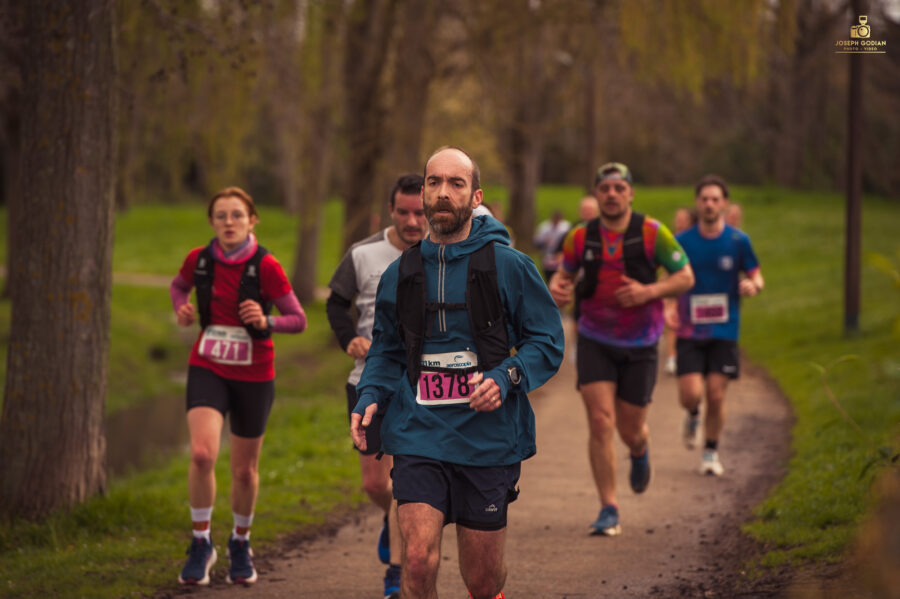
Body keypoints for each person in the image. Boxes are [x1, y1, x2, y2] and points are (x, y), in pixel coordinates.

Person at [351, 146, 564, 599]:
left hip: (487, 438)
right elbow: (386, 350)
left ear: (476, 196)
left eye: (456, 183)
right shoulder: (401, 273)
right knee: (417, 558)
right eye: (434, 182)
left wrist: (506, 376)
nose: (443, 192)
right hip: (418, 432)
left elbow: (547, 341)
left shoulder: (510, 266)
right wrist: (370, 395)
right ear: (423, 194)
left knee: (483, 581)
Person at [170, 186, 308, 585]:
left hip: (254, 372)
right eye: (221, 216)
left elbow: (297, 319)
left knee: (245, 471)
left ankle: (240, 542)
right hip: (208, 363)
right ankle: (201, 542)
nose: (228, 223)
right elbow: (179, 287)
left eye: (236, 215)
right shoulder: (198, 260)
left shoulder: (267, 266)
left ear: (252, 220)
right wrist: (181, 307)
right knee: (200, 453)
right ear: (212, 222)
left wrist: (267, 322)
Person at [549, 162, 694, 537]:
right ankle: (609, 507)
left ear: (630, 193)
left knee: (630, 429)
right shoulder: (580, 237)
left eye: (618, 188)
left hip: (642, 342)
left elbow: (685, 276)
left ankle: (640, 448)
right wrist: (559, 287)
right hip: (595, 338)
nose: (611, 194)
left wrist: (649, 292)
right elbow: (563, 273)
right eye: (604, 188)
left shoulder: (653, 233)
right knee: (600, 422)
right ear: (597, 195)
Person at [326, 173, 427, 598]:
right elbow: (335, 302)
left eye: (419, 212)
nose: (411, 221)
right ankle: (396, 521)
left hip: (421, 385)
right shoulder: (364, 254)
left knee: (402, 479)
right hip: (368, 379)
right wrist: (348, 338)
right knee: (375, 484)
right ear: (390, 211)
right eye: (403, 212)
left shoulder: (443, 253)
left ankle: (394, 574)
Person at [671, 175, 763, 476]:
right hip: (688, 329)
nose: (709, 204)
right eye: (704, 199)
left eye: (715, 199)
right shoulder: (682, 242)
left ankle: (710, 452)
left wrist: (752, 284)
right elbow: (665, 279)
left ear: (724, 204)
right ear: (697, 203)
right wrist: (667, 308)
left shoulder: (738, 241)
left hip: (724, 329)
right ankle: (693, 415)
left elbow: (756, 274)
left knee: (716, 393)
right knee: (691, 395)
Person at [663, 207, 698, 375]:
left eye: (683, 218)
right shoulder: (672, 239)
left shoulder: (697, 239)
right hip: (674, 287)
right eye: (678, 218)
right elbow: (665, 268)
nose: (680, 221)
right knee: (672, 323)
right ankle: (672, 357)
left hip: (694, 287)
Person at [533, 209, 571, 281]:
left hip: (560, 256)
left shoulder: (566, 227)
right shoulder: (544, 227)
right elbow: (537, 242)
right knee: (548, 277)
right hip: (547, 256)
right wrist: (544, 241)